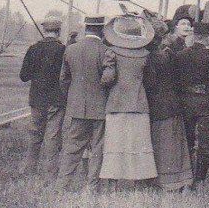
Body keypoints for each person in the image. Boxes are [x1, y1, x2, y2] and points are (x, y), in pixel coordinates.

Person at [98, 15, 158, 186]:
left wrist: (103, 83)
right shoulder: (146, 55)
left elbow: (108, 78)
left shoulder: (112, 52)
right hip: (139, 104)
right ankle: (138, 182)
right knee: (139, 144)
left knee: (115, 144)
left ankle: (113, 183)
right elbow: (151, 81)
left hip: (116, 104)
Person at [57, 15, 108, 192]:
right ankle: (92, 186)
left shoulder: (71, 50)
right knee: (98, 148)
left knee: (72, 147)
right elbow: (109, 80)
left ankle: (62, 185)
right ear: (102, 30)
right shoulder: (106, 51)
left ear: (86, 29)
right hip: (100, 107)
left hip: (77, 106)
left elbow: (63, 80)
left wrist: (72, 97)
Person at [174, 21, 209, 188]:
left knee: (187, 140)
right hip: (206, 103)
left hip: (186, 102)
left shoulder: (181, 55)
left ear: (193, 36)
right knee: (206, 142)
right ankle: (200, 180)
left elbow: (177, 81)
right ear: (208, 38)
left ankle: (186, 178)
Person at [18, 15, 66, 177]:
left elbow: (24, 76)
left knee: (35, 134)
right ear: (58, 31)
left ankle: (29, 170)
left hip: (37, 99)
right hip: (56, 100)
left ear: (44, 30)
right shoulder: (62, 49)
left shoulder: (33, 49)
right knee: (53, 137)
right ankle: (51, 173)